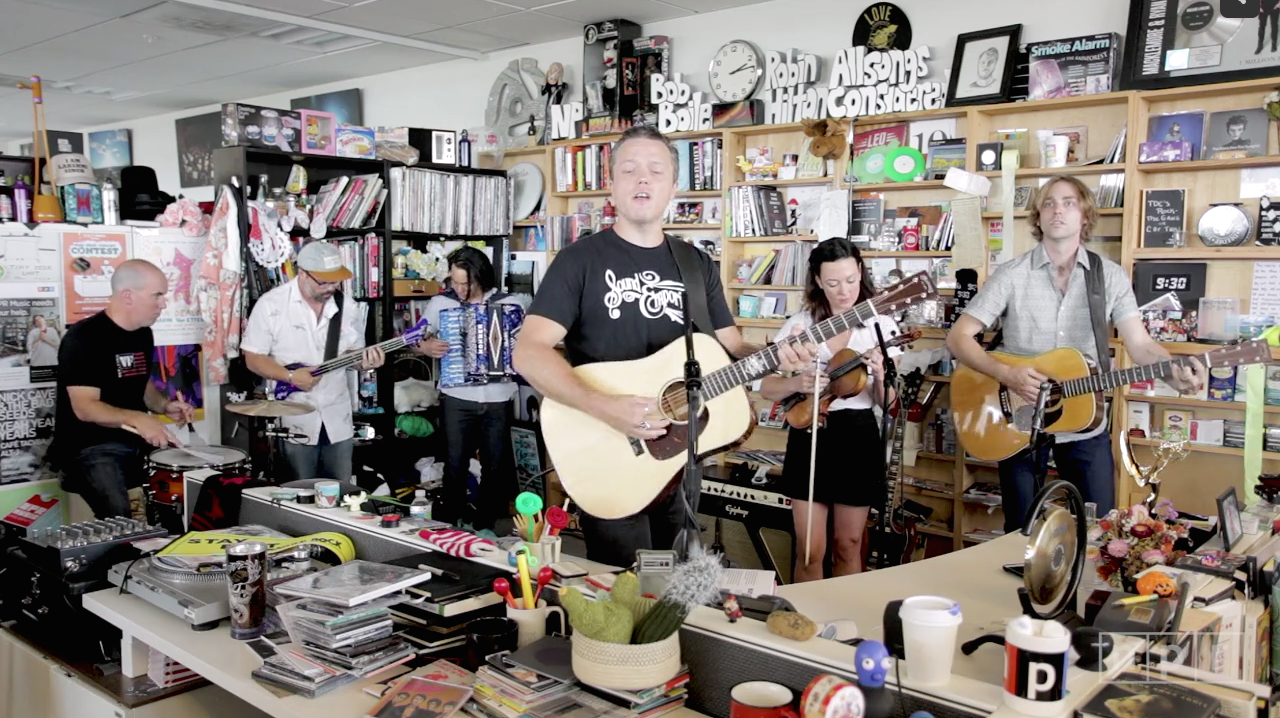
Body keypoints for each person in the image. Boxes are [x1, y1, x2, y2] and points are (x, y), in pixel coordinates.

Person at [512, 124, 815, 569]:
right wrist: (604, 406)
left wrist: (778, 357)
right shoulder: (579, 260)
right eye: (630, 170)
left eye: (656, 171)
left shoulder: (696, 264)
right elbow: (528, 351)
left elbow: (730, 347)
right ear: (611, 184)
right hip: (609, 448)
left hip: (680, 461)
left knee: (675, 596)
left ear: (673, 187)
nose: (643, 180)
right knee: (623, 594)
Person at [946, 176, 1204, 533]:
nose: (1058, 210)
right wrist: (1007, 375)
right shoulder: (1011, 275)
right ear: (1037, 217)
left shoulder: (1109, 277)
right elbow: (959, 338)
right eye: (1049, 203)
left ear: (1085, 215)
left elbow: (1141, 344)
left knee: (1099, 528)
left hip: (1085, 418)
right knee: (1021, 531)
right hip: (1019, 418)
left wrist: (1171, 372)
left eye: (1069, 202)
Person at [759, 238, 901, 581]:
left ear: (861, 273)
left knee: (848, 545)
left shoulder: (879, 325)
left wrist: (881, 375)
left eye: (851, 280)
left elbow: (890, 403)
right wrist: (797, 384)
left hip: (858, 436)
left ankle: (843, 629)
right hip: (810, 435)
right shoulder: (801, 324)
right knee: (810, 550)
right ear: (819, 281)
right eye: (834, 283)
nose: (844, 291)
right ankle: (803, 626)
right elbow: (765, 387)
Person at [53, 259, 195, 519]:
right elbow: (85, 408)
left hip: (131, 441)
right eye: (158, 295)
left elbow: (141, 384)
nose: (164, 303)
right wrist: (139, 419)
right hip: (89, 446)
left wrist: (164, 405)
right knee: (119, 515)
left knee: (187, 486)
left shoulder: (143, 333)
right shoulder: (83, 338)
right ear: (128, 296)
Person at [242, 241, 385, 483]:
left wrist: (365, 362)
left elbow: (352, 355)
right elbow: (253, 358)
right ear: (303, 273)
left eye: (335, 281)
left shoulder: (347, 307)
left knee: (339, 494)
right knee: (299, 492)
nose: (331, 288)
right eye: (323, 282)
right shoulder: (271, 305)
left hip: (337, 417)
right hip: (294, 419)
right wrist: (289, 376)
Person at [412, 246, 521, 531]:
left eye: (465, 283)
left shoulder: (510, 304)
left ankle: (484, 524)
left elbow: (526, 344)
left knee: (495, 467)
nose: (459, 289)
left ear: (482, 277)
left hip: (499, 397)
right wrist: (425, 346)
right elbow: (413, 337)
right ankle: (450, 524)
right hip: (457, 397)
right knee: (455, 464)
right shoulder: (440, 304)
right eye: (455, 282)